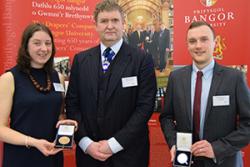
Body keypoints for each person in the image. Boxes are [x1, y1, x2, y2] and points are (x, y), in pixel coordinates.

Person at [65, 0, 157, 167]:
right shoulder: (81, 60)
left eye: (115, 20)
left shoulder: (142, 59)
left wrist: (114, 144)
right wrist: (85, 143)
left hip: (129, 154)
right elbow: (72, 104)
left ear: (124, 24)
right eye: (104, 21)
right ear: (96, 25)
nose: (110, 26)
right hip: (89, 155)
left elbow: (145, 106)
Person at [160, 21, 250, 167]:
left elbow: (248, 124)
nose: (198, 46)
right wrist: (174, 144)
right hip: (186, 162)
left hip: (223, 161)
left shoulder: (234, 78)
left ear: (215, 43)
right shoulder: (176, 78)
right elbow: (166, 117)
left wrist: (216, 148)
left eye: (204, 39)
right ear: (187, 45)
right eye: (192, 41)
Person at [0, 23, 77, 167]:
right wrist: (34, 142)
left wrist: (66, 125)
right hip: (22, 156)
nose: (44, 48)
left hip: (52, 154)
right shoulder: (9, 78)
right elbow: (1, 128)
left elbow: (59, 114)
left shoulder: (58, 77)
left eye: (48, 43)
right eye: (37, 43)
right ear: (25, 46)